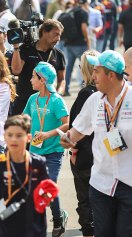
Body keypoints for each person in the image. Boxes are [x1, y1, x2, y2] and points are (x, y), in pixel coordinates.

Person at [60, 50, 132, 237]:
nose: (93, 76)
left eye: (97, 71)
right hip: (101, 183)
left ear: (110, 75)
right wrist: (68, 139)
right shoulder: (93, 100)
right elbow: (78, 131)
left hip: (129, 184)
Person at [0, 114, 49, 237]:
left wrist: (47, 196)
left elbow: (47, 191)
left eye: (19, 136)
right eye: (10, 135)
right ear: (4, 137)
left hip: (34, 226)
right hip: (5, 228)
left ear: (29, 138)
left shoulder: (38, 163)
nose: (14, 139)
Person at [23, 62, 69, 237]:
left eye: (34, 77)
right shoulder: (32, 99)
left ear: (42, 80)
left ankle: (58, 218)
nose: (30, 79)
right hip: (35, 151)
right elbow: (25, 118)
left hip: (53, 152)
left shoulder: (57, 100)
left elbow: (67, 124)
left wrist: (49, 134)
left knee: (48, 185)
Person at [69, 50, 99, 237]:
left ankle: (88, 231)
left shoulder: (86, 94)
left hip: (85, 154)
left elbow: (76, 128)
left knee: (85, 198)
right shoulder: (103, 93)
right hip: (101, 153)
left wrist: (73, 151)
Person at [11, 19, 66, 115]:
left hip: (47, 106)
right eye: (55, 34)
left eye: (60, 35)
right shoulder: (26, 49)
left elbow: (62, 80)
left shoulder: (59, 55)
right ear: (44, 32)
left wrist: (58, 94)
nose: (58, 39)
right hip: (24, 102)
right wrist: (16, 47)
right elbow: (16, 71)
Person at [62, 0, 90, 97]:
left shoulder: (70, 11)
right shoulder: (83, 13)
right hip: (80, 44)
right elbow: (83, 28)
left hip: (69, 44)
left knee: (69, 67)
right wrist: (88, 40)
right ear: (85, 4)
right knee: (85, 67)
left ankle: (66, 89)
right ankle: (85, 89)